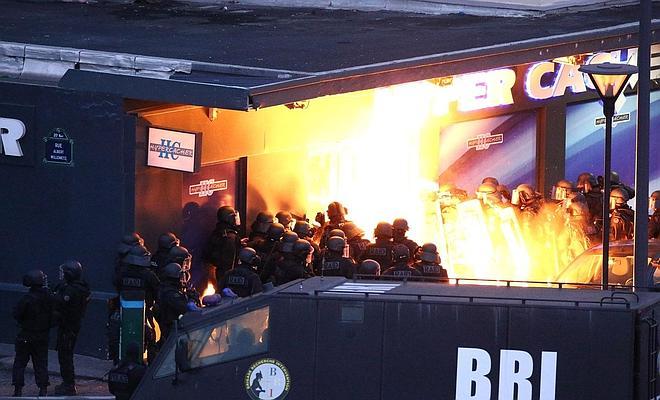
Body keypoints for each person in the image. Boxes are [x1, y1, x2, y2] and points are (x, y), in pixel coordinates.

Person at [114, 245, 160, 361]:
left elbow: (117, 286)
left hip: (124, 310)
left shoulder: (122, 272)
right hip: (144, 312)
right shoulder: (148, 275)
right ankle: (151, 363)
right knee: (151, 336)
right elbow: (158, 290)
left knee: (121, 335)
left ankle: (119, 360)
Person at [52, 261, 91, 396]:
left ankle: (69, 385)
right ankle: (68, 383)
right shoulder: (81, 287)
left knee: (65, 356)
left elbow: (60, 302)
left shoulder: (72, 291)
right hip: (72, 325)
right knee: (65, 354)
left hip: (68, 326)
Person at [12, 270, 53, 397]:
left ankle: (18, 390)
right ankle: (43, 389)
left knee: (20, 362)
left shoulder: (27, 299)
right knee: (41, 362)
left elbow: (17, 314)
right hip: (42, 335)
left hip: (26, 334)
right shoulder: (49, 297)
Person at [156, 263, 195, 345]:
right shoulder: (171, 293)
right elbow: (184, 308)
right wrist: (191, 299)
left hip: (171, 327)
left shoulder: (166, 288)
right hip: (172, 329)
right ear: (175, 277)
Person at [203, 206, 242, 284]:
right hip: (227, 276)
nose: (236, 218)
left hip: (219, 273)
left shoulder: (219, 231)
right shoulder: (230, 236)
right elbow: (229, 261)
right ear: (229, 218)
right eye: (234, 216)